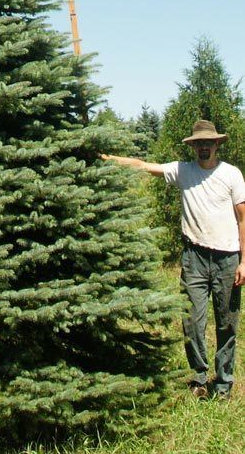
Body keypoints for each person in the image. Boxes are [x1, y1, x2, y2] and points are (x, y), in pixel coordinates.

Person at [102, 119, 245, 399]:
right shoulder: (183, 171)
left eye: (208, 143)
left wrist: (244, 261)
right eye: (199, 143)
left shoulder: (231, 175)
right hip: (194, 257)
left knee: (227, 322)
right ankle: (199, 379)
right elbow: (143, 166)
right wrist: (106, 158)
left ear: (217, 144)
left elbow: (243, 218)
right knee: (192, 321)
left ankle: (224, 382)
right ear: (193, 147)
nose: (204, 148)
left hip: (228, 258)